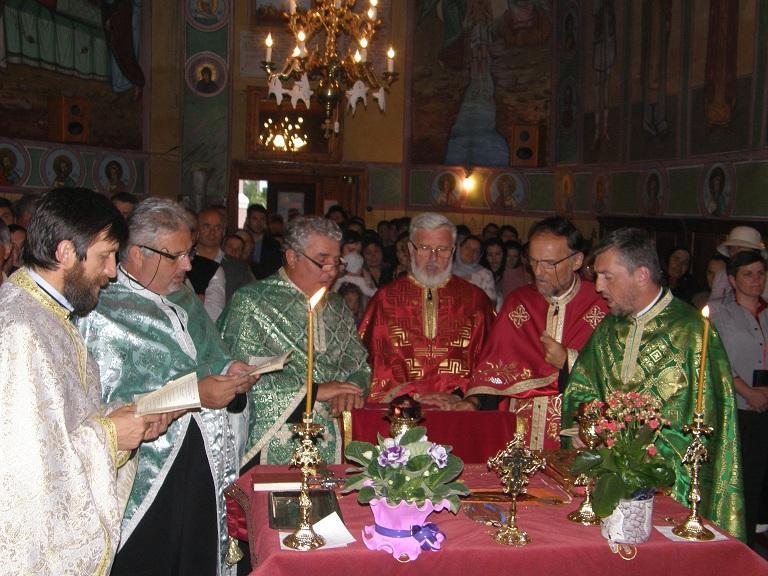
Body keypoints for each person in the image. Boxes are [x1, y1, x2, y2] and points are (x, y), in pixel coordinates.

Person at [78, 198, 259, 575]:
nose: (188, 265)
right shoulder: (103, 310)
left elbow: (207, 351)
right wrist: (197, 393)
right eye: (176, 256)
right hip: (150, 468)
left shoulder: (182, 297)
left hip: (203, 460)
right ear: (138, 253)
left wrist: (232, 368)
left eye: (189, 253)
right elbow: (107, 403)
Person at [0, 187, 165, 574]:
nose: (112, 273)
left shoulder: (50, 316)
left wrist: (125, 422)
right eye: (105, 256)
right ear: (65, 253)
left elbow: (62, 425)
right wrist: (110, 434)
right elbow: (24, 472)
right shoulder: (21, 331)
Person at [564, 227, 745, 541]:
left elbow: (710, 422)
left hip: (673, 490)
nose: (597, 286)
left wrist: (641, 450)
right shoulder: (610, 326)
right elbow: (581, 386)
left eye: (607, 276)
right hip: (608, 480)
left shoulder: (693, 333)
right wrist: (589, 425)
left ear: (641, 275)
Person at [219, 216, 369, 466]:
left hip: (336, 434)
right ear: (292, 257)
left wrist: (352, 389)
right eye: (322, 261)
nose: (331, 271)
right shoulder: (252, 302)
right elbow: (239, 377)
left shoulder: (338, 306)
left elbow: (359, 364)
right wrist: (315, 392)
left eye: (336, 262)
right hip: (272, 441)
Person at [465, 217, 608, 451]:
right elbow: (494, 368)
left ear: (577, 261)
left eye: (550, 264)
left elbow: (613, 376)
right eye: (533, 261)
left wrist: (569, 361)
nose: (538, 272)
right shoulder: (518, 303)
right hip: (517, 435)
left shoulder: (600, 305)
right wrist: (474, 401)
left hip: (572, 435)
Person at [359, 213, 495, 407]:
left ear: (453, 250)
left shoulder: (476, 301)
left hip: (458, 410)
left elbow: (491, 364)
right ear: (410, 249)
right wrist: (409, 395)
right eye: (424, 248)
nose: (434, 257)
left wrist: (464, 396)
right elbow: (369, 363)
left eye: (442, 249)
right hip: (400, 411)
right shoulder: (385, 300)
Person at [710, 251, 768, 548]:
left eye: (760, 273)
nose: (756, 280)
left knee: (761, 477)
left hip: (765, 408)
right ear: (732, 280)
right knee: (740, 477)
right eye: (748, 274)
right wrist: (747, 391)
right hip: (736, 409)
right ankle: (736, 538)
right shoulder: (719, 313)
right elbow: (715, 360)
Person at [453, 234, 497, 304]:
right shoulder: (447, 270)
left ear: (480, 255)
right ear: (459, 248)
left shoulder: (486, 274)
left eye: (476, 250)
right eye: (467, 248)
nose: (471, 252)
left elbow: (491, 302)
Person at [245, 203, 282, 279]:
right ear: (248, 220)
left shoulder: (274, 245)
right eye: (255, 219)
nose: (259, 223)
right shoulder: (240, 241)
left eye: (262, 219)